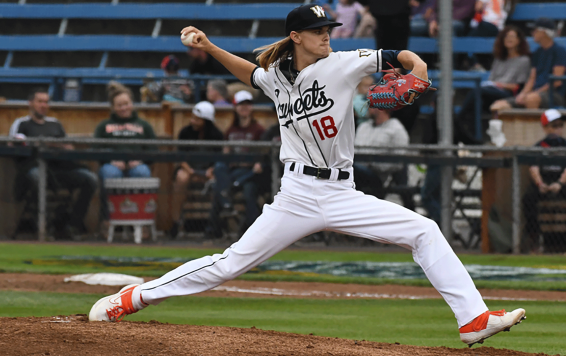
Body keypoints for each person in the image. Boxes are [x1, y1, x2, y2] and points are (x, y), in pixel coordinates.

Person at [89, 4, 525, 347]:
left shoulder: (343, 63)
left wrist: (420, 71)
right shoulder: (279, 75)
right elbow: (254, 74)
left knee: (424, 230)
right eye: (319, 32)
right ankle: (132, 298)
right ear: (296, 36)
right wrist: (209, 47)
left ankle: (473, 320)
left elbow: (399, 55)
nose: (326, 37)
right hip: (296, 193)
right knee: (231, 263)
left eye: (329, 30)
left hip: (341, 192)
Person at [9, 88, 98, 238]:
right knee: (37, 177)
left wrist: (53, 145)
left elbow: (68, 147)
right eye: (40, 101)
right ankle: (43, 225)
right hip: (33, 168)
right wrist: (42, 144)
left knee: (90, 179)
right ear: (30, 103)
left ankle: (72, 225)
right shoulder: (21, 123)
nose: (43, 105)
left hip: (60, 169)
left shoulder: (55, 123)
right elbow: (13, 145)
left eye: (46, 102)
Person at [522, 109, 566, 251]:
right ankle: (534, 235)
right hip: (544, 178)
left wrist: (559, 183)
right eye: (554, 126)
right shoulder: (539, 146)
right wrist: (540, 184)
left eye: (560, 126)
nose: (558, 129)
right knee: (528, 198)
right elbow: (533, 167)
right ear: (545, 128)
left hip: (562, 179)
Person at [455, 26, 531, 144]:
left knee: (477, 93)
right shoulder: (499, 59)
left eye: (512, 36)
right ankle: (473, 138)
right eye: (506, 36)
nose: (508, 39)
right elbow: (491, 79)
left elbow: (517, 86)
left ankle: (459, 123)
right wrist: (494, 84)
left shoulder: (524, 60)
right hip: (491, 91)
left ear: (519, 40)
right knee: (477, 101)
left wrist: (500, 84)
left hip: (507, 93)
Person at [94, 81, 157, 222]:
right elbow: (95, 150)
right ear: (113, 107)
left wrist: (141, 160)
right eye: (119, 105)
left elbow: (154, 150)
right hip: (112, 165)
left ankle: (142, 220)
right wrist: (111, 161)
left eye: (126, 104)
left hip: (137, 165)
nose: (124, 108)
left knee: (142, 172)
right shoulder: (103, 126)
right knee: (110, 173)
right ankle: (107, 220)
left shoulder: (144, 125)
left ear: (132, 104)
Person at [207, 90, 266, 238]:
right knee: (219, 170)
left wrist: (258, 164)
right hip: (232, 170)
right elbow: (225, 153)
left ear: (251, 107)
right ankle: (214, 229)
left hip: (249, 173)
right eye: (241, 104)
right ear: (235, 107)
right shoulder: (231, 130)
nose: (244, 107)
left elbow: (264, 152)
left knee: (248, 190)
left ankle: (253, 232)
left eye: (247, 104)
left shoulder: (258, 130)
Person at [169, 101, 224, 239]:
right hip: (188, 169)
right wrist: (191, 171)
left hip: (209, 171)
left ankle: (214, 225)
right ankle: (176, 223)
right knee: (181, 178)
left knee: (217, 181)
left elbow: (219, 158)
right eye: (193, 117)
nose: (192, 121)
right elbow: (180, 157)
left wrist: (211, 170)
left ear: (206, 121)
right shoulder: (185, 132)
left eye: (197, 119)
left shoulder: (216, 135)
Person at [491, 18, 566, 111]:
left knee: (531, 99)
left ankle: (534, 126)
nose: (532, 33)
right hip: (535, 93)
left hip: (553, 94)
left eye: (535, 30)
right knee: (498, 105)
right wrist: (522, 94)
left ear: (543, 32)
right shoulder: (537, 52)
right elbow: (532, 78)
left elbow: (556, 82)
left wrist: (533, 93)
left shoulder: (559, 51)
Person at [353, 107, 414, 210]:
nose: (367, 108)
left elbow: (399, 161)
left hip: (379, 176)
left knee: (353, 168)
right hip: (357, 171)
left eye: (370, 105)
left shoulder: (396, 129)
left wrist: (372, 163)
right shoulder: (363, 126)